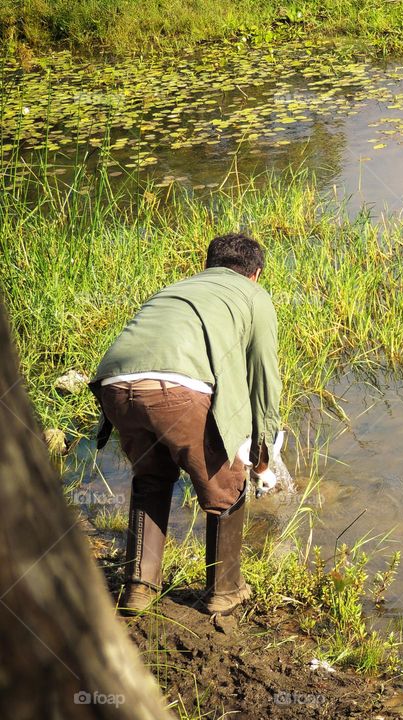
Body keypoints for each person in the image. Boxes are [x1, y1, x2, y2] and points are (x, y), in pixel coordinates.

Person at [89, 233, 282, 616]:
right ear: (256, 274)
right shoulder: (253, 295)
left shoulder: (177, 288)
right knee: (228, 484)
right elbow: (265, 381)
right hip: (178, 390)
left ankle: (139, 590)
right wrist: (261, 461)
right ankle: (224, 591)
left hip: (113, 383)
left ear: (208, 264)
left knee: (152, 478)